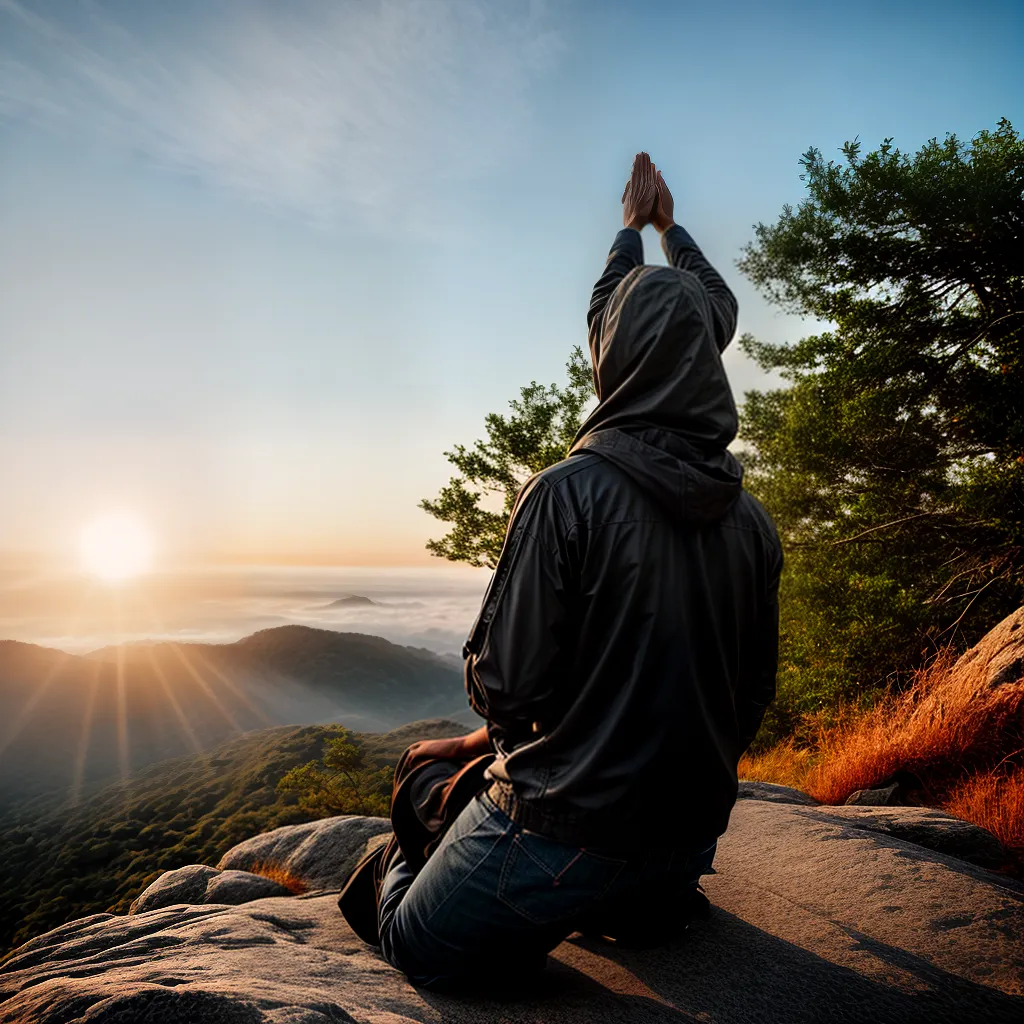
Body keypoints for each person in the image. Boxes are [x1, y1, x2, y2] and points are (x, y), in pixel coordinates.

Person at [375, 152, 783, 988]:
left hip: (561, 838)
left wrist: (632, 228)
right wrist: (662, 231)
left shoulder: (567, 494)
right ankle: (623, 906)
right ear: (708, 360)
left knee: (411, 928)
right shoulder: (752, 522)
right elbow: (750, 700)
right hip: (682, 850)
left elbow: (506, 687)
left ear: (609, 359)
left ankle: (431, 866)